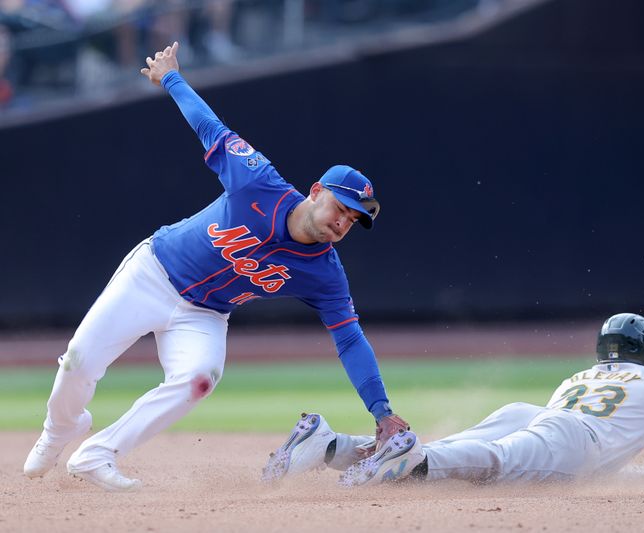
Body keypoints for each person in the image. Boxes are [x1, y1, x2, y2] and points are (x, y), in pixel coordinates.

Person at [23, 41, 410, 492]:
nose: (343, 221)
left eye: (353, 219)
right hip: (153, 273)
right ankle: (59, 431)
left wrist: (382, 411)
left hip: (204, 314)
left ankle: (99, 453)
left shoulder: (325, 272)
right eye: (341, 207)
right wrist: (170, 77)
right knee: (78, 362)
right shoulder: (258, 182)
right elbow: (210, 127)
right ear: (317, 190)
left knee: (199, 378)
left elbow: (349, 339)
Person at [262, 313, 644, 487]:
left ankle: (329, 446)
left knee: (450, 449)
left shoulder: (578, 376)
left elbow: (579, 451)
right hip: (570, 438)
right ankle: (400, 456)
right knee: (487, 464)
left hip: (535, 414)